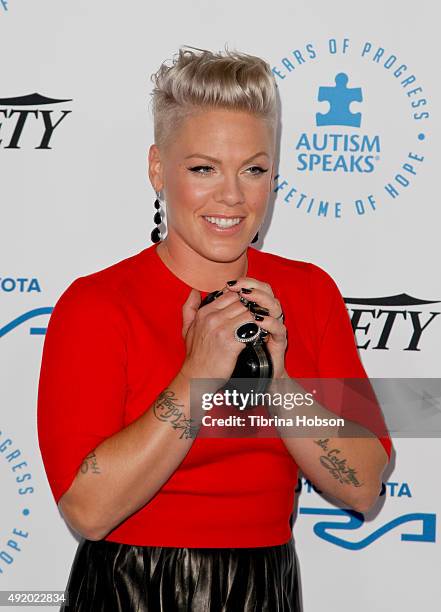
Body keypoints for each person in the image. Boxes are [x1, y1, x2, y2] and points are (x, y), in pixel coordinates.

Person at [37, 45, 392, 611]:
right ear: (158, 168)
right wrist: (197, 373)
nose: (231, 196)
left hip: (266, 584)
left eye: (253, 169)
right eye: (203, 168)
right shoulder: (98, 304)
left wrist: (277, 386)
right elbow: (88, 510)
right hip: (130, 585)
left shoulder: (307, 293)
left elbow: (363, 486)